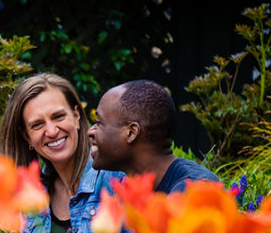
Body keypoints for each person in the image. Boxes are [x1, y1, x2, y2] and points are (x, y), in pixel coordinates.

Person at [0, 73, 134, 233]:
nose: (51, 131)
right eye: (37, 125)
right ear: (26, 136)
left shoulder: (116, 181)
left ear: (77, 116)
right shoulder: (33, 198)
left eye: (58, 117)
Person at [88, 79, 221, 193]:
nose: (90, 131)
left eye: (99, 123)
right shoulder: (133, 191)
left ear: (131, 133)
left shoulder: (196, 191)